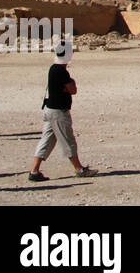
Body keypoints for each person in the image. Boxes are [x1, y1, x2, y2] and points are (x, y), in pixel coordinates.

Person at [29, 41, 96, 181]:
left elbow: (69, 88)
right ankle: (79, 169)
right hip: (58, 112)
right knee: (68, 140)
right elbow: (73, 90)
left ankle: (34, 171)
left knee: (46, 141)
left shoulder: (54, 68)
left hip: (50, 109)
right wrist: (71, 84)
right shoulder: (60, 71)